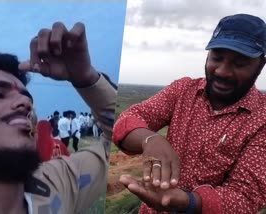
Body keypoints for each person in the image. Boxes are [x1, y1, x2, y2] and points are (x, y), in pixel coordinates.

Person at [0, 22, 116, 214]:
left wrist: (86, 77)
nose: (25, 103)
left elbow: (120, 148)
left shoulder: (58, 185)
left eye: (28, 98)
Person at [113, 14, 266, 213]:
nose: (222, 71)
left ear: (261, 65)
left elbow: (244, 197)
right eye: (217, 57)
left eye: (239, 64)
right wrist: (150, 140)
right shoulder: (183, 90)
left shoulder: (262, 118)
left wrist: (187, 202)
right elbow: (128, 120)